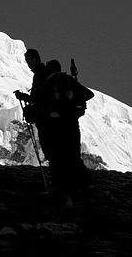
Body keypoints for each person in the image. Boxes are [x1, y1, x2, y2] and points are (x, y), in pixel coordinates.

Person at [38, 60, 94, 196]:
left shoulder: (49, 82)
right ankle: (86, 184)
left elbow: (43, 102)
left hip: (57, 124)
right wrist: (73, 102)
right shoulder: (69, 80)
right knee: (74, 156)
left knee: (58, 156)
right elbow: (88, 94)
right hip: (72, 122)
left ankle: (62, 186)